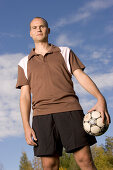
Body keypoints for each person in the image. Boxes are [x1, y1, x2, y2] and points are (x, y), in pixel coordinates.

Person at [16, 17, 110, 170]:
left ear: (48, 30)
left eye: (42, 26)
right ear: (30, 33)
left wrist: (100, 98)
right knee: (49, 166)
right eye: (34, 27)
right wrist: (26, 126)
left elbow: (81, 77)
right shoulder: (24, 62)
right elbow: (25, 96)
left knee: (84, 160)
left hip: (70, 111)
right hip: (42, 117)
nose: (38, 29)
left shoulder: (65, 52)